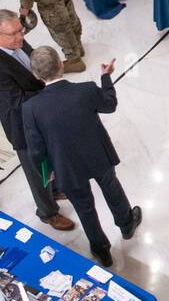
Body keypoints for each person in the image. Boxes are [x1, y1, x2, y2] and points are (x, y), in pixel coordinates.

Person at [22, 48, 141, 269]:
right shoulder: (85, 89)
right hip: (97, 155)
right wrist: (106, 77)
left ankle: (101, 249)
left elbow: (36, 149)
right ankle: (126, 223)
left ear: (36, 74)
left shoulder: (30, 109)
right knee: (111, 187)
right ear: (61, 65)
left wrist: (49, 172)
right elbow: (110, 104)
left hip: (66, 166)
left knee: (84, 208)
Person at [0, 12, 74, 230]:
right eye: (13, 34)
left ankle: (57, 188)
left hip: (42, 117)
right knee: (37, 171)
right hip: (23, 127)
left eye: (21, 31)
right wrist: (51, 88)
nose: (20, 37)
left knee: (52, 157)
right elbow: (16, 104)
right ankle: (48, 212)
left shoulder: (18, 41)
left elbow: (33, 61)